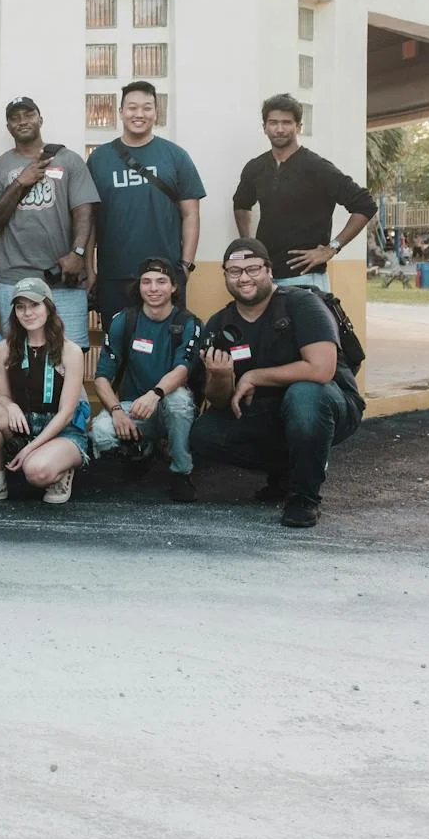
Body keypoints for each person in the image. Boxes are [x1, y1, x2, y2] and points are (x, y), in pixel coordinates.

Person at [190, 238, 364, 528]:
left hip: (328, 403)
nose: (244, 277)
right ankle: (286, 471)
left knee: (304, 395)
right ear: (225, 276)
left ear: (269, 270)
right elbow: (221, 401)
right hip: (267, 412)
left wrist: (254, 375)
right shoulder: (219, 323)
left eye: (252, 268)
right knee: (205, 433)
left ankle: (304, 497)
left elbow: (321, 369)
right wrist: (220, 377)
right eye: (234, 271)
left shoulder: (302, 304)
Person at [0, 96, 98, 344]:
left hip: (65, 278)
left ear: (40, 119)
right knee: (19, 355)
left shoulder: (68, 160)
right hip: (14, 279)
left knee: (71, 350)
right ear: (8, 126)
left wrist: (78, 255)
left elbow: (84, 211)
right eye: (14, 118)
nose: (22, 121)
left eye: (28, 114)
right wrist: (21, 182)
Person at [86, 80, 205, 328]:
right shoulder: (99, 159)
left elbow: (191, 215)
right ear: (120, 112)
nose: (139, 114)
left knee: (166, 347)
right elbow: (90, 220)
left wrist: (185, 267)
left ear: (156, 113)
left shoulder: (175, 156)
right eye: (132, 107)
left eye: (147, 108)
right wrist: (90, 268)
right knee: (118, 347)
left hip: (163, 276)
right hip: (114, 277)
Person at [0, 278, 91, 508]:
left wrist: (30, 449)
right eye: (21, 307)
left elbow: (66, 413)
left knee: (36, 472)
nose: (28, 313)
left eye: (35, 305)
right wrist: (10, 406)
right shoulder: (6, 346)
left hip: (62, 429)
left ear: (48, 308)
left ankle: (62, 469)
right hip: (25, 424)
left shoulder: (70, 351)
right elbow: (2, 395)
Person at [233, 95, 377, 292]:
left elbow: (365, 204)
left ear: (298, 127)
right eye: (273, 123)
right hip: (265, 277)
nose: (280, 129)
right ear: (265, 127)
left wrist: (332, 248)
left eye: (287, 123)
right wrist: (250, 245)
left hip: (306, 279)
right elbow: (241, 204)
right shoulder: (255, 168)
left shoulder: (317, 167)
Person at [89, 258, 203, 502]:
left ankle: (181, 472)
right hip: (135, 409)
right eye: (147, 282)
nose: (153, 288)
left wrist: (155, 394)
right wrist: (117, 410)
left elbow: (183, 369)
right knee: (100, 432)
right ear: (139, 287)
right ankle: (142, 451)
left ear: (173, 287)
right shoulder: (125, 321)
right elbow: (101, 378)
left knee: (179, 400)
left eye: (161, 282)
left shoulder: (187, 322)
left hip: (170, 407)